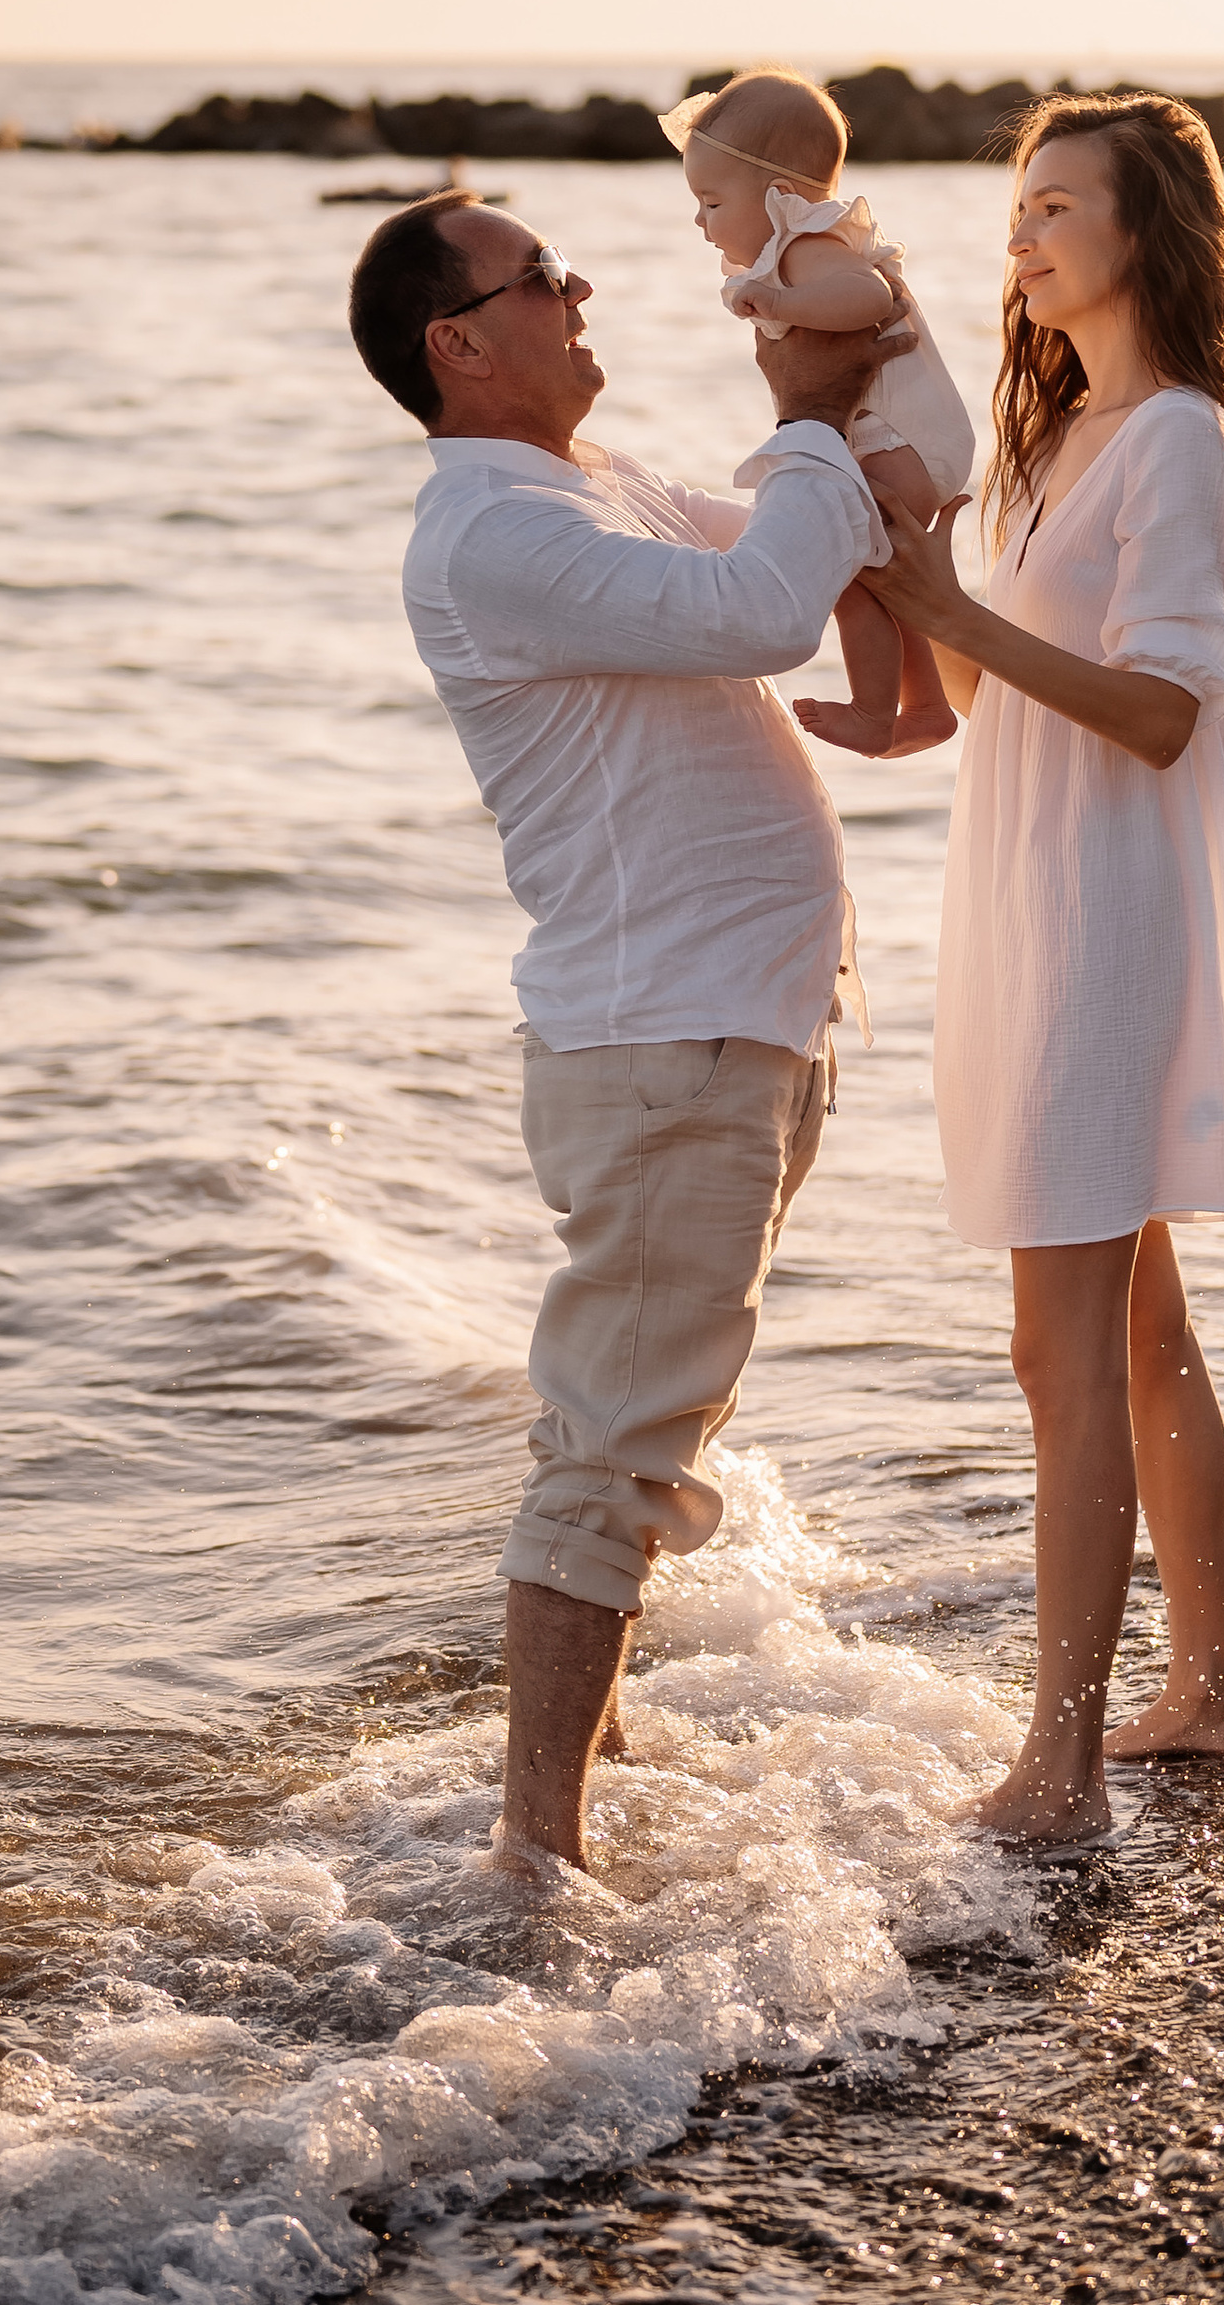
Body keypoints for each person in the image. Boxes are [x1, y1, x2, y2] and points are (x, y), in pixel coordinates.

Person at [346, 190, 895, 1874]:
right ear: (459, 343)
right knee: (611, 1450)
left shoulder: (591, 483)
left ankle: (586, 1758)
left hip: (735, 1022)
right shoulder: (493, 535)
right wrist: (810, 412)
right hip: (668, 1037)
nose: (579, 286)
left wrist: (848, 368)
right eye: (542, 275)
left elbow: (824, 542)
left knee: (645, 1426)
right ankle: (539, 1860)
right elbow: (765, 608)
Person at [860, 93, 1224, 1846]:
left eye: (1055, 206)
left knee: (1061, 1346)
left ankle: (1061, 1765)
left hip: (1106, 918)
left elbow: (1168, 707)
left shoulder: (1177, 436)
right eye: (1015, 209)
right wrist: (915, 623)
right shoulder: (1058, 440)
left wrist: (958, 616)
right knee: (1139, 1316)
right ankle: (1215, 1686)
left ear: (1145, 231)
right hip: (1034, 902)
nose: (1020, 236)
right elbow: (994, 700)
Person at [663, 67, 978, 757]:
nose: (700, 220)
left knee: (851, 575)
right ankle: (925, 707)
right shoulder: (801, 251)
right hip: (902, 443)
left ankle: (875, 712)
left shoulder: (809, 245)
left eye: (712, 201)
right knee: (882, 576)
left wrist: (782, 304)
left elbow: (868, 299)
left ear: (778, 196)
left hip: (901, 443)